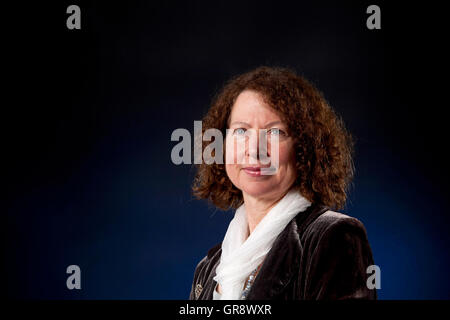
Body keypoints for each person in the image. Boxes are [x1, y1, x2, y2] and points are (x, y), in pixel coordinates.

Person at [189, 66, 377, 300]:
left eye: (275, 132)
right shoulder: (208, 269)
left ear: (305, 148)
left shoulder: (334, 238)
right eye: (240, 131)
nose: (255, 150)